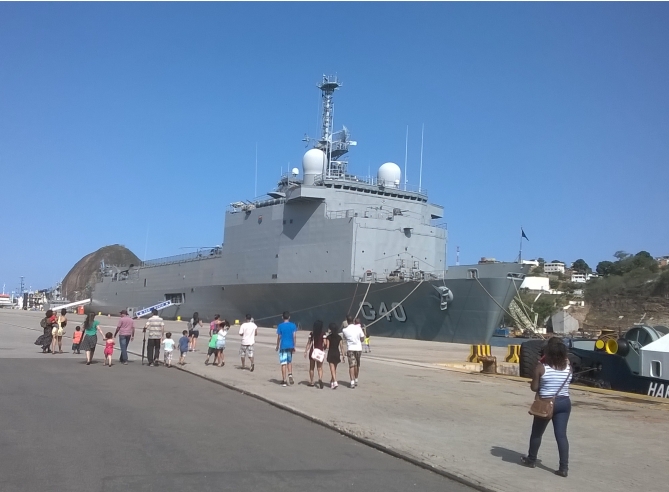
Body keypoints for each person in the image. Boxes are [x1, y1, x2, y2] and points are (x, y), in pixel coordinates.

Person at [521, 339, 572, 477]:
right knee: (561, 435)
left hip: (545, 403)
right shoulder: (568, 367)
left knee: (537, 433)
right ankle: (564, 468)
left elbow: (534, 388)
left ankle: (531, 460)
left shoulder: (541, 368)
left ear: (548, 353)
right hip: (564, 402)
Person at [342, 316, 365, 388]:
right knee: (357, 364)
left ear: (347, 321)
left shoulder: (344, 330)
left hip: (351, 348)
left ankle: (352, 381)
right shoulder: (358, 328)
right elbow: (362, 338)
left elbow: (345, 339)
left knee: (351, 365)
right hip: (358, 348)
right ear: (353, 321)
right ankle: (356, 379)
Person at [275, 311, 297, 387]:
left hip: (283, 346)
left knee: (283, 363)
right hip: (290, 346)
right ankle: (290, 374)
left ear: (282, 317)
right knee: (289, 362)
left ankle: (284, 380)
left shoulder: (280, 326)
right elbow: (294, 336)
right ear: (289, 317)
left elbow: (279, 337)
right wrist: (294, 346)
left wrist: (277, 345)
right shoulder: (293, 325)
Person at [304, 320, 326, 388]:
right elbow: (325, 343)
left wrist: (305, 351)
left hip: (312, 352)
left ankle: (311, 382)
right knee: (320, 368)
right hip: (320, 351)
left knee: (311, 368)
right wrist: (324, 347)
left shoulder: (312, 333)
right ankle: (320, 379)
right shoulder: (323, 333)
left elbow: (309, 343)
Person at [325, 323, 345, 389]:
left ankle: (335, 381)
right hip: (337, 352)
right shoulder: (339, 337)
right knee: (334, 368)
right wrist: (343, 355)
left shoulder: (329, 337)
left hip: (331, 352)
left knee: (332, 368)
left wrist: (324, 345)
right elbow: (342, 347)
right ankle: (332, 381)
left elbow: (327, 346)